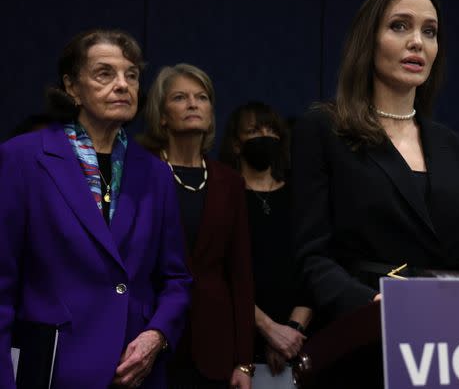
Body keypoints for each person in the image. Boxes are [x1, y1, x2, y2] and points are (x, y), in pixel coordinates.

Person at [291, 0, 459, 387]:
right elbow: (312, 255)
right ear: (370, 40)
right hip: (360, 338)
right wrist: (368, 305)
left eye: (429, 32)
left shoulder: (451, 145)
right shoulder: (323, 128)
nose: (417, 42)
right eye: (400, 26)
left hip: (444, 345)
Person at [0, 29, 191, 388]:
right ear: (72, 87)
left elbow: (176, 280)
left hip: (133, 374)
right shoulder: (22, 158)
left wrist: (157, 336)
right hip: (53, 372)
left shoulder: (155, 173)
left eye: (131, 75)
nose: (123, 85)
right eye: (106, 73)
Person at [139, 63, 254, 389]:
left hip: (213, 345)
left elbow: (240, 274)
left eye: (201, 97)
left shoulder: (229, 182)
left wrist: (244, 362)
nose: (193, 104)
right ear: (162, 115)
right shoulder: (141, 172)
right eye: (180, 97)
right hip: (149, 337)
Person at [219, 101, 312, 387]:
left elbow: (315, 267)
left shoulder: (302, 198)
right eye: (254, 130)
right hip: (239, 347)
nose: (265, 135)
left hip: (300, 345)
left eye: (271, 130)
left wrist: (291, 332)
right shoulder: (223, 198)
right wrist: (269, 330)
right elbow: (221, 273)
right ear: (236, 144)